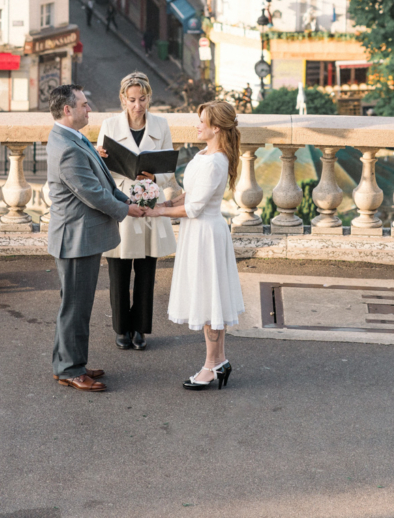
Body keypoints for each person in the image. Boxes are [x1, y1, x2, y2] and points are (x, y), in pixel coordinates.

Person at [44, 84, 146, 392]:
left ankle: (70, 362)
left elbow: (100, 177)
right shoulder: (67, 148)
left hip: (80, 236)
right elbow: (91, 193)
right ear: (67, 110)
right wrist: (125, 209)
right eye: (85, 104)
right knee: (75, 307)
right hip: (75, 238)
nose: (90, 109)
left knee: (77, 305)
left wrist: (125, 201)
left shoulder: (71, 138)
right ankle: (70, 369)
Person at [144, 100, 245, 390]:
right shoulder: (205, 153)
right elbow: (189, 194)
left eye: (202, 121)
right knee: (208, 297)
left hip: (205, 234)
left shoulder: (216, 161)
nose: (197, 125)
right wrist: (165, 202)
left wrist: (157, 212)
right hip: (198, 233)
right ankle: (220, 361)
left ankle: (211, 366)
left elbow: (195, 207)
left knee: (209, 298)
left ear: (215, 128)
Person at [95, 72, 177, 351]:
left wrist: (155, 179)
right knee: (118, 269)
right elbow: (99, 171)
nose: (138, 105)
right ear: (122, 99)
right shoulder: (108, 125)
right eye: (132, 100)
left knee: (146, 270)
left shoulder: (161, 125)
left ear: (149, 97)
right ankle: (121, 329)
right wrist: (99, 157)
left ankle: (140, 329)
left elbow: (169, 168)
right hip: (120, 201)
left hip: (149, 202)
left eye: (142, 99)